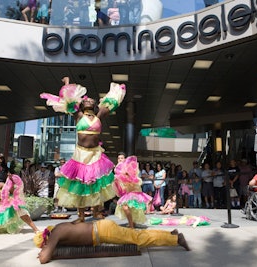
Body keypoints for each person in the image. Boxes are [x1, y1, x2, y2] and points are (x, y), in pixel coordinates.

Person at [40, 76, 126, 222]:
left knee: (97, 184)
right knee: (80, 185)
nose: (88, 99)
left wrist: (118, 91)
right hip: (81, 155)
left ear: (95, 105)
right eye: (86, 99)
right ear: (82, 104)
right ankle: (80, 215)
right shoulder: (78, 115)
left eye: (91, 100)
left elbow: (112, 103)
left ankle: (96, 211)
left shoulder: (99, 115)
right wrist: (67, 83)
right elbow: (67, 98)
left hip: (95, 155)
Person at [34, 219, 190, 264]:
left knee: (139, 239)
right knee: (137, 234)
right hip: (102, 226)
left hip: (103, 232)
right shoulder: (61, 226)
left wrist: (45, 250)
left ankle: (175, 239)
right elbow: (78, 221)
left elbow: (44, 258)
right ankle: (170, 233)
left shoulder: (56, 234)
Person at [112, 155, 151, 228]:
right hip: (125, 192)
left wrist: (126, 174)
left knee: (127, 207)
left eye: (122, 158)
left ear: (125, 159)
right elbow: (118, 182)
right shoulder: (117, 169)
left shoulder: (129, 167)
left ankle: (131, 225)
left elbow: (134, 178)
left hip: (132, 191)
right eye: (119, 158)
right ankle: (132, 223)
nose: (120, 159)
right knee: (128, 208)